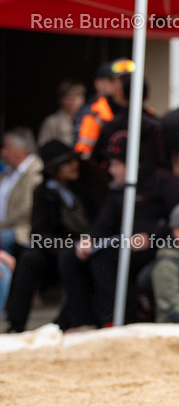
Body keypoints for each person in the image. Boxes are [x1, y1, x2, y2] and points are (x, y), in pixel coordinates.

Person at [58, 131, 179, 329]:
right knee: (70, 257)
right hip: (123, 243)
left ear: (134, 164)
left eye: (116, 164)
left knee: (104, 259)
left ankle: (113, 320)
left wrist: (151, 237)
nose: (111, 170)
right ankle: (81, 321)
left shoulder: (163, 182)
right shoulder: (118, 189)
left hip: (158, 246)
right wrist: (88, 240)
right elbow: (105, 222)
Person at [5, 141, 94, 333]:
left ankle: (69, 321)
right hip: (61, 248)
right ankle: (16, 323)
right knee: (29, 259)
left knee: (73, 260)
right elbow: (38, 234)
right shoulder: (44, 192)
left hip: (93, 243)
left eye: (73, 160)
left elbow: (101, 219)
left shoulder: (86, 186)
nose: (73, 165)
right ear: (53, 170)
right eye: (66, 163)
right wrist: (66, 247)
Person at [75, 58, 134, 159]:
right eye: (122, 80)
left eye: (129, 80)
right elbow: (84, 155)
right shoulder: (95, 113)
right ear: (112, 83)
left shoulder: (142, 111)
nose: (126, 85)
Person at [0, 128, 44, 255]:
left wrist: (2, 225)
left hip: (20, 230)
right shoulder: (7, 171)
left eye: (6, 148)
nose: (3, 152)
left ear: (21, 150)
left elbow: (27, 208)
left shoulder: (35, 171)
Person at [39, 81, 86, 148]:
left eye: (77, 95)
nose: (72, 100)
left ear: (83, 99)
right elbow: (43, 148)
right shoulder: (52, 122)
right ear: (61, 100)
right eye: (68, 96)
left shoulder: (90, 119)